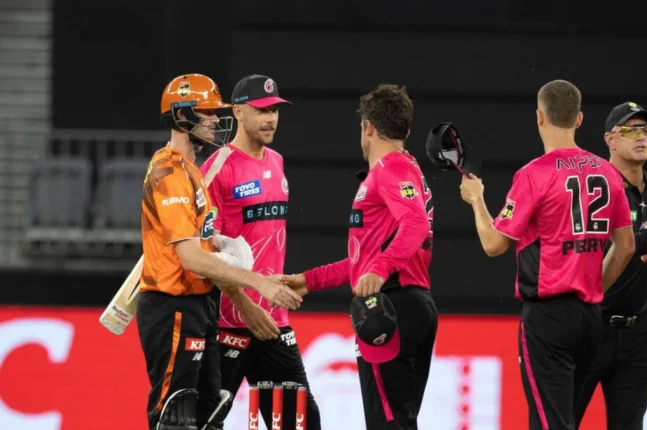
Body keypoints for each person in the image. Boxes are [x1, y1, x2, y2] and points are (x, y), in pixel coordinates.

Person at [459, 79, 635, 430]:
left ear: (539, 117)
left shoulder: (534, 174)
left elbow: (494, 244)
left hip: (548, 317)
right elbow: (626, 245)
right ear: (579, 119)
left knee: (549, 423)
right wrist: (593, 287)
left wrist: (476, 200)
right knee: (564, 419)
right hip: (589, 317)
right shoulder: (607, 172)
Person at [137, 73, 302, 430]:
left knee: (206, 417)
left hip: (199, 305)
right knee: (176, 419)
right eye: (208, 112)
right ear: (182, 115)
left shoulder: (191, 171)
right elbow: (191, 258)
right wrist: (257, 283)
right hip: (173, 305)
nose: (215, 119)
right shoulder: (169, 172)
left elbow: (205, 244)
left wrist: (225, 247)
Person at [281, 84, 438, 430]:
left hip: (392, 307)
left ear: (368, 127)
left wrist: (380, 270)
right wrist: (310, 280)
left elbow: (415, 225)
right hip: (413, 304)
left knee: (389, 423)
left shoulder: (391, 168)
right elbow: (363, 260)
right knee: (399, 420)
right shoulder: (407, 168)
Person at [199, 74, 321, 430]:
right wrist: (244, 305)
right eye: (262, 110)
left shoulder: (277, 161)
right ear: (238, 111)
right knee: (204, 424)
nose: (271, 119)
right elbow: (207, 252)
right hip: (227, 323)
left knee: (303, 423)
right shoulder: (218, 167)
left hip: (272, 324)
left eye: (275, 111)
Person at [573, 102, 647, 430]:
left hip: (638, 331)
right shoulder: (594, 187)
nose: (641, 136)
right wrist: (644, 242)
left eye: (645, 129)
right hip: (591, 326)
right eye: (630, 130)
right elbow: (588, 244)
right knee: (563, 422)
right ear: (609, 139)